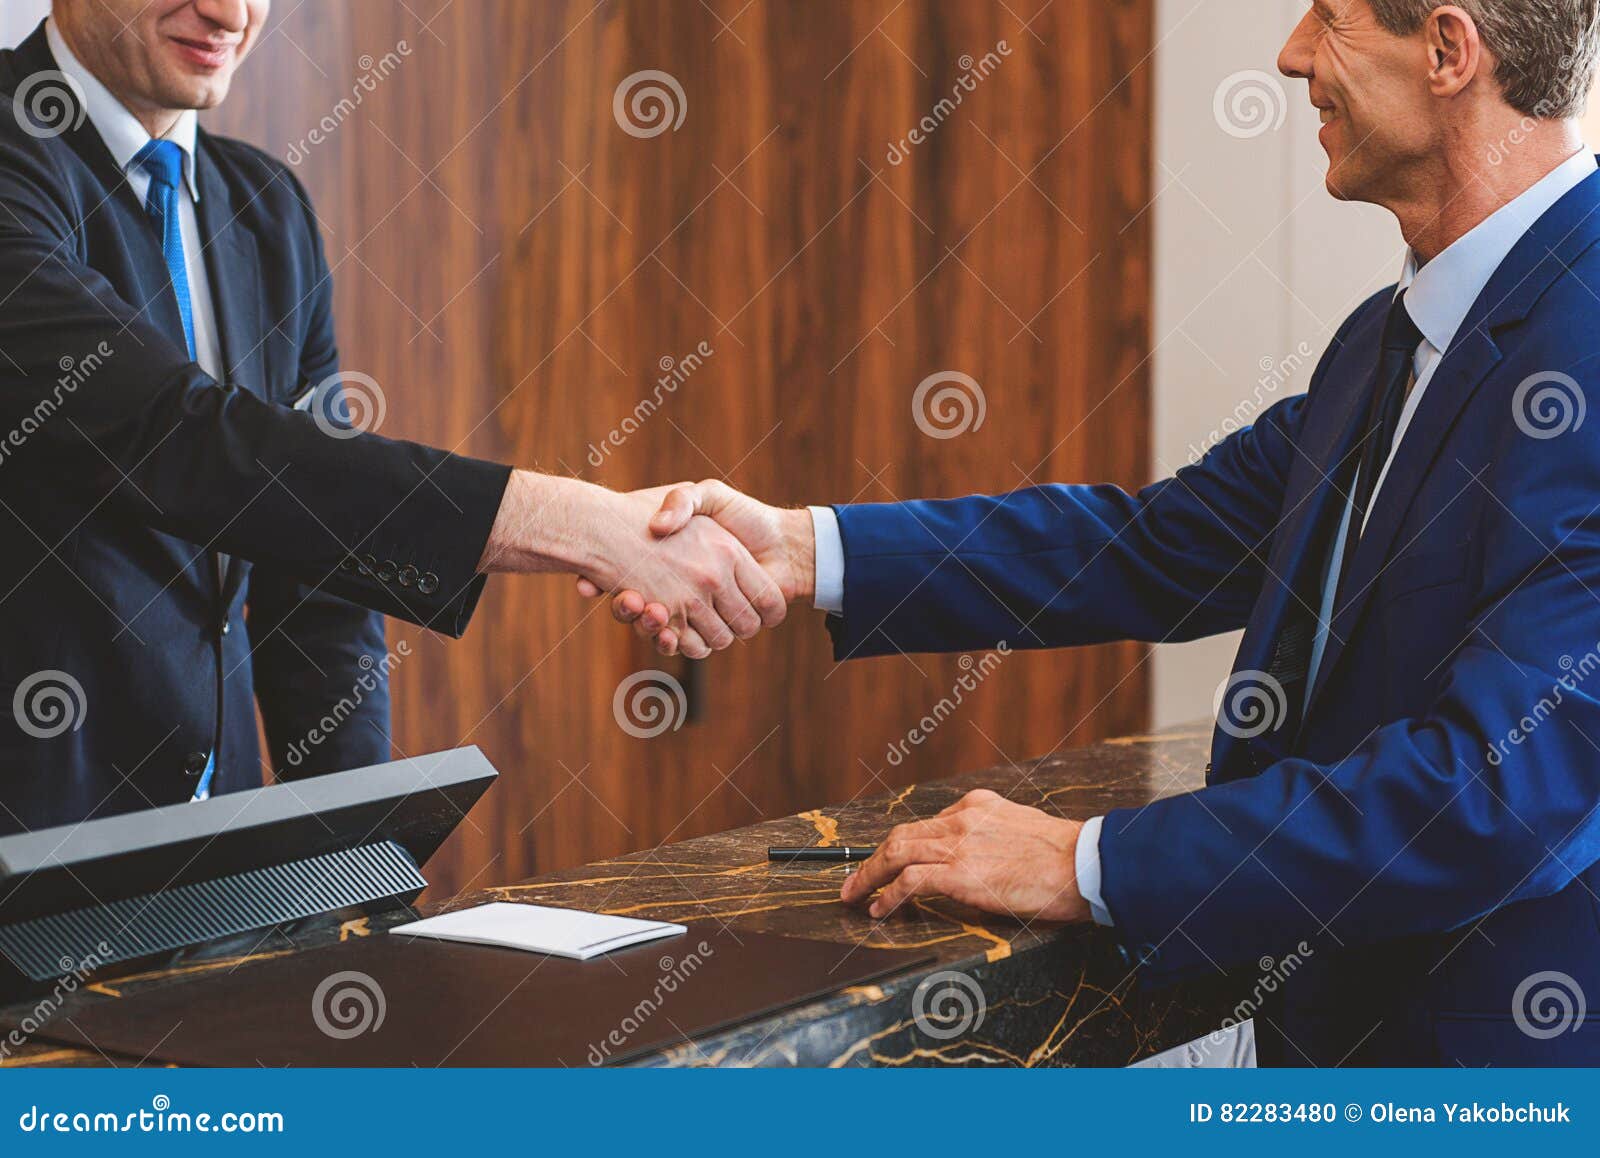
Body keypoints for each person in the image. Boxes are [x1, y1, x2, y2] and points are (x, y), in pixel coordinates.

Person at [608, 0, 1600, 1065]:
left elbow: (1500, 792)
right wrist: (804, 550)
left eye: (1331, 18)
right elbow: (1153, 545)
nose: (1292, 53)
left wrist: (1086, 863)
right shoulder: (1387, 337)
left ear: (1448, 51)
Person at [0, 1, 784, 834]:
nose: (229, 11)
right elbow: (180, 436)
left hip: (204, 870)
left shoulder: (264, 208)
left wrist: (351, 868)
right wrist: (584, 523)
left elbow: (321, 570)